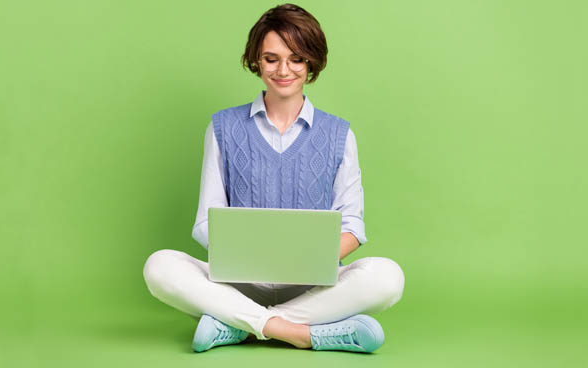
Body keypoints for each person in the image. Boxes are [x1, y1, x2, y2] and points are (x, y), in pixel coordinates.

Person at [142, 3, 404, 353]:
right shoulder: (223, 127)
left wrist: (304, 262)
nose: (284, 70)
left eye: (296, 58)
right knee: (160, 266)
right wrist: (251, 256)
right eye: (271, 58)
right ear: (256, 61)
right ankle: (300, 333)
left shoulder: (339, 134)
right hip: (238, 282)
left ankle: (240, 325)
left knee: (387, 277)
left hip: (314, 286)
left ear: (311, 62)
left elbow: (353, 225)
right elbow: (206, 219)